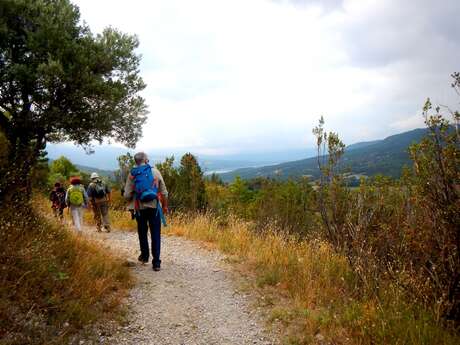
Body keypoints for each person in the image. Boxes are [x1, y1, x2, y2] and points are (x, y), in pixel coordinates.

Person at [124, 152, 168, 271]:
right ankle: (156, 262)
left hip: (140, 208)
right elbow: (164, 192)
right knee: (155, 234)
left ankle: (144, 256)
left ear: (136, 161)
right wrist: (165, 206)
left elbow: (127, 194)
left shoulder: (133, 174)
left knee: (142, 232)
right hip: (154, 207)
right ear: (146, 160)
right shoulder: (155, 171)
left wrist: (130, 201)